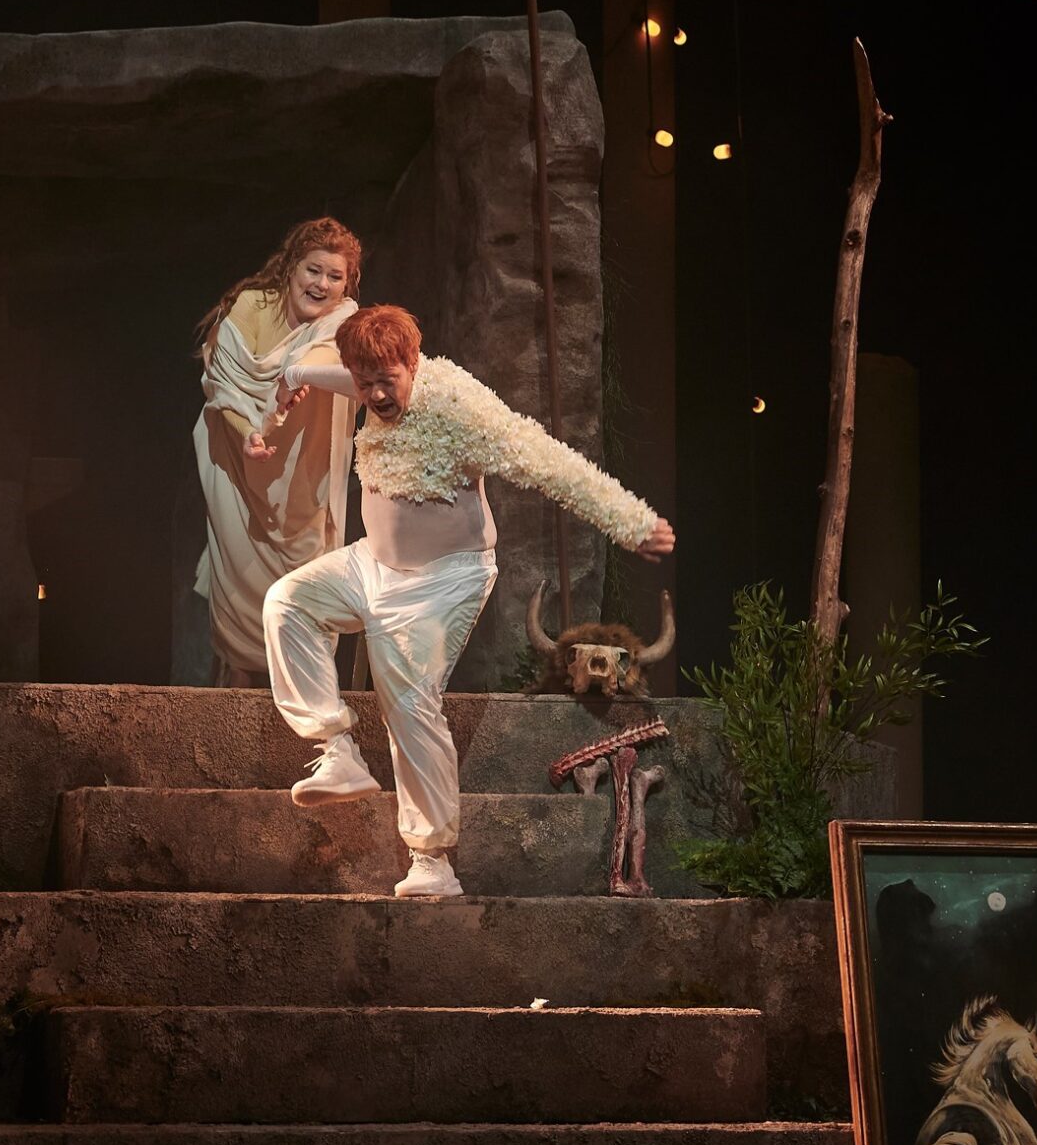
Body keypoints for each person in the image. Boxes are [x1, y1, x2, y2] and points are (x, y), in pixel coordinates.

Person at [256, 304, 675, 897]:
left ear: (414, 364)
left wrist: (631, 522)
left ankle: (432, 861)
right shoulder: (366, 383)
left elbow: (548, 462)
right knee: (287, 602)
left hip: (444, 580)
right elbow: (341, 377)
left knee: (407, 697)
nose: (375, 395)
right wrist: (295, 374)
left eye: (387, 380)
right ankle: (337, 748)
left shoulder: (459, 407)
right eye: (365, 383)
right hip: (372, 564)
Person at [191, 218, 364, 686]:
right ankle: (235, 702)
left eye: (335, 276)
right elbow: (222, 386)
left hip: (301, 479)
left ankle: (299, 703)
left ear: (347, 285)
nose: (321, 284)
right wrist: (249, 432)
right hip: (238, 466)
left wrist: (297, 374)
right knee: (238, 580)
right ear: (291, 268)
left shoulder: (341, 320)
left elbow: (326, 359)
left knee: (303, 586)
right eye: (313, 270)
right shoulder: (252, 306)